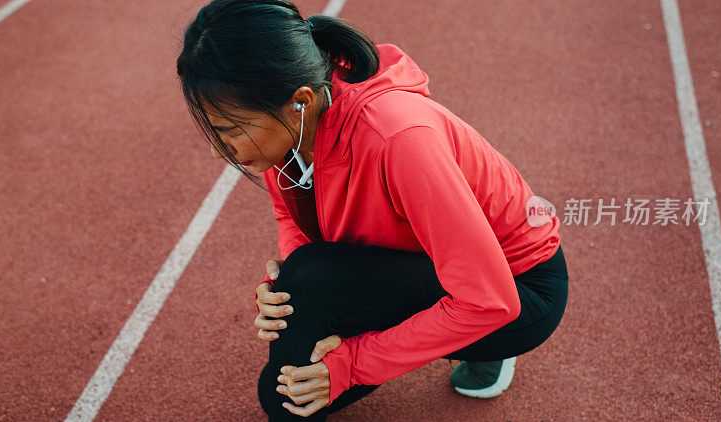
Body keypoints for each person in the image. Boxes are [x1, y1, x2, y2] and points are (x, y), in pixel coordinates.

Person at [176, 1, 569, 420]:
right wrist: (281, 287)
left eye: (232, 131)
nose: (221, 152)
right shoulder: (292, 131)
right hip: (424, 258)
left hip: (517, 287)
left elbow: (491, 301)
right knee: (291, 361)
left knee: (289, 389)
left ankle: (488, 345)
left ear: (300, 101)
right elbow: (294, 219)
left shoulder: (398, 139)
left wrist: (354, 362)